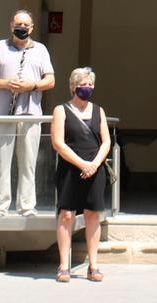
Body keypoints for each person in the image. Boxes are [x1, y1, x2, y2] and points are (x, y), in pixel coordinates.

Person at [0, 9, 55, 217]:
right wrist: (6, 83)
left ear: (32, 28)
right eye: (18, 24)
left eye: (25, 25)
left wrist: (31, 86)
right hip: (4, 114)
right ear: (11, 25)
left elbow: (50, 81)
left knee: (28, 163)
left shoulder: (40, 50)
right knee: (1, 162)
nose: (21, 28)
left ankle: (27, 207)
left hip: (30, 115)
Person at [51, 67, 111, 283]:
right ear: (73, 86)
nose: (87, 88)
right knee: (67, 215)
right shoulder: (61, 110)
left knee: (93, 214)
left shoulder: (98, 110)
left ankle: (93, 265)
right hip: (70, 168)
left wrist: (94, 164)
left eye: (90, 84)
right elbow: (58, 143)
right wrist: (81, 164)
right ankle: (63, 265)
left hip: (95, 169)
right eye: (83, 84)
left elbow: (106, 141)